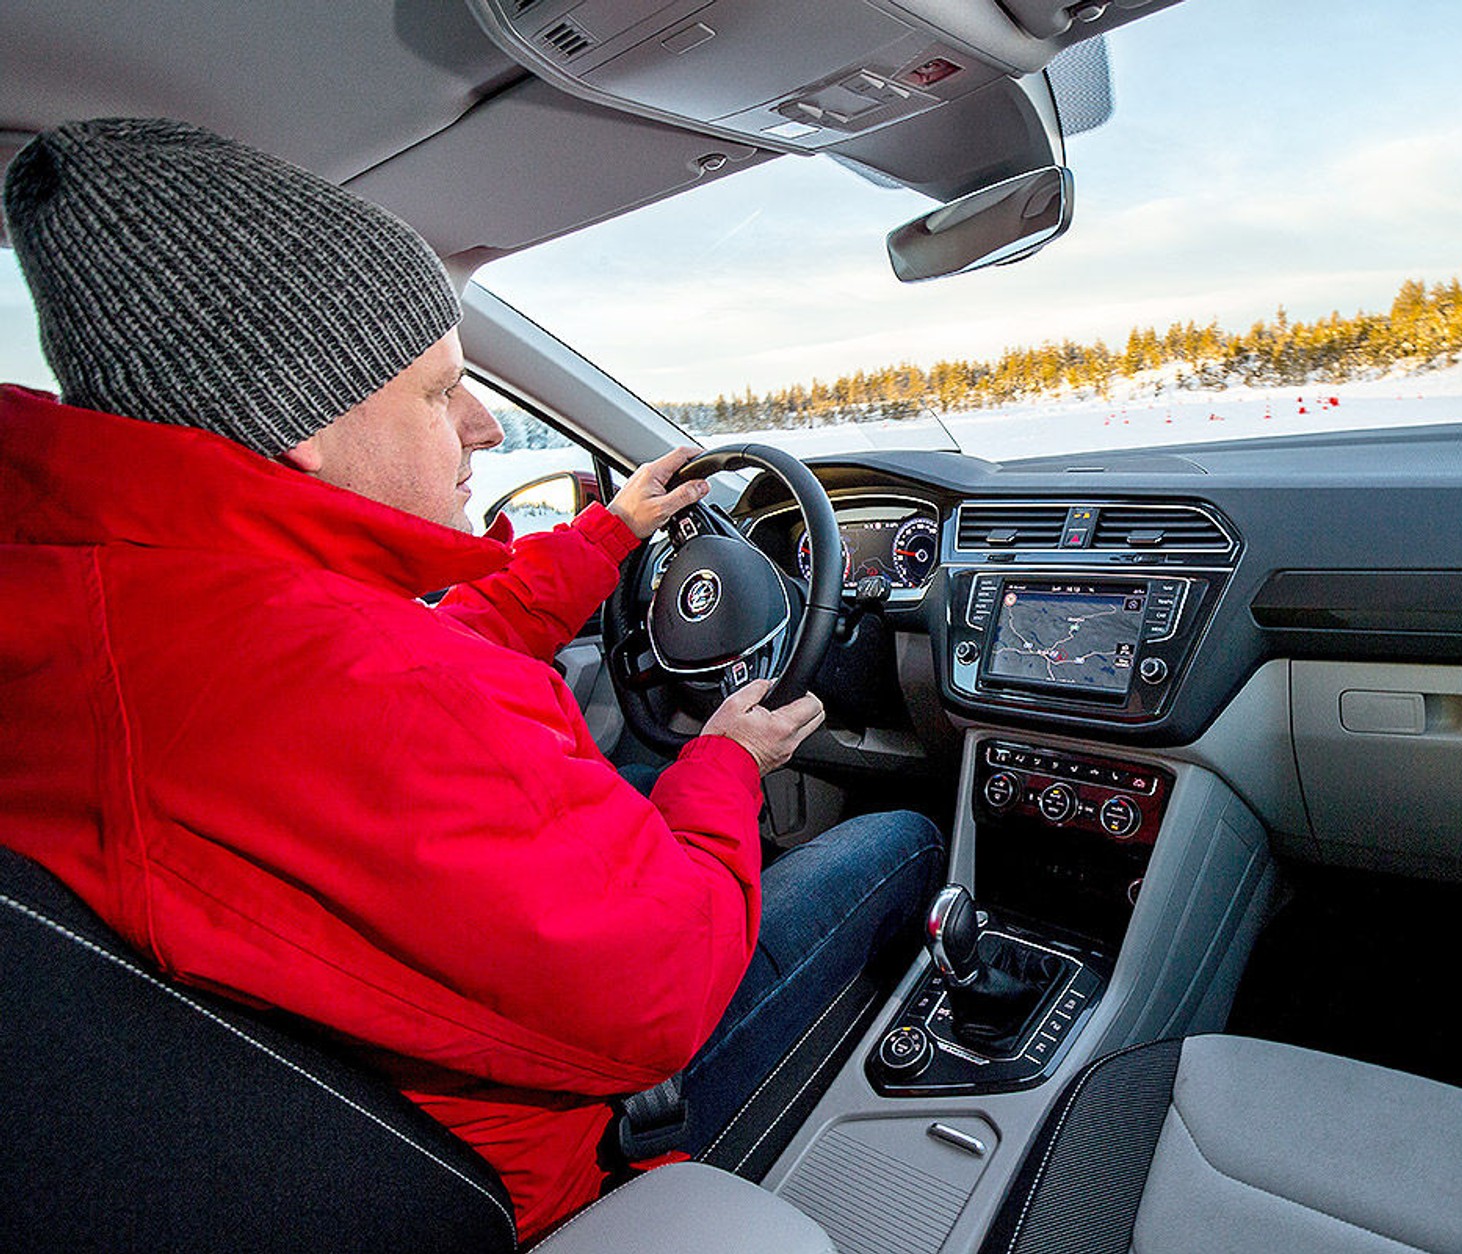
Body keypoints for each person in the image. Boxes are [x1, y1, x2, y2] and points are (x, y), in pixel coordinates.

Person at [0, 118, 942, 1242]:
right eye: (440, 390)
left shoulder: (127, 599)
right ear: (298, 423)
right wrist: (724, 766)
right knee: (903, 846)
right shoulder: (357, 687)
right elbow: (668, 989)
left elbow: (413, 651)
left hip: (349, 1124)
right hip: (551, 1160)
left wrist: (606, 536)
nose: (485, 425)